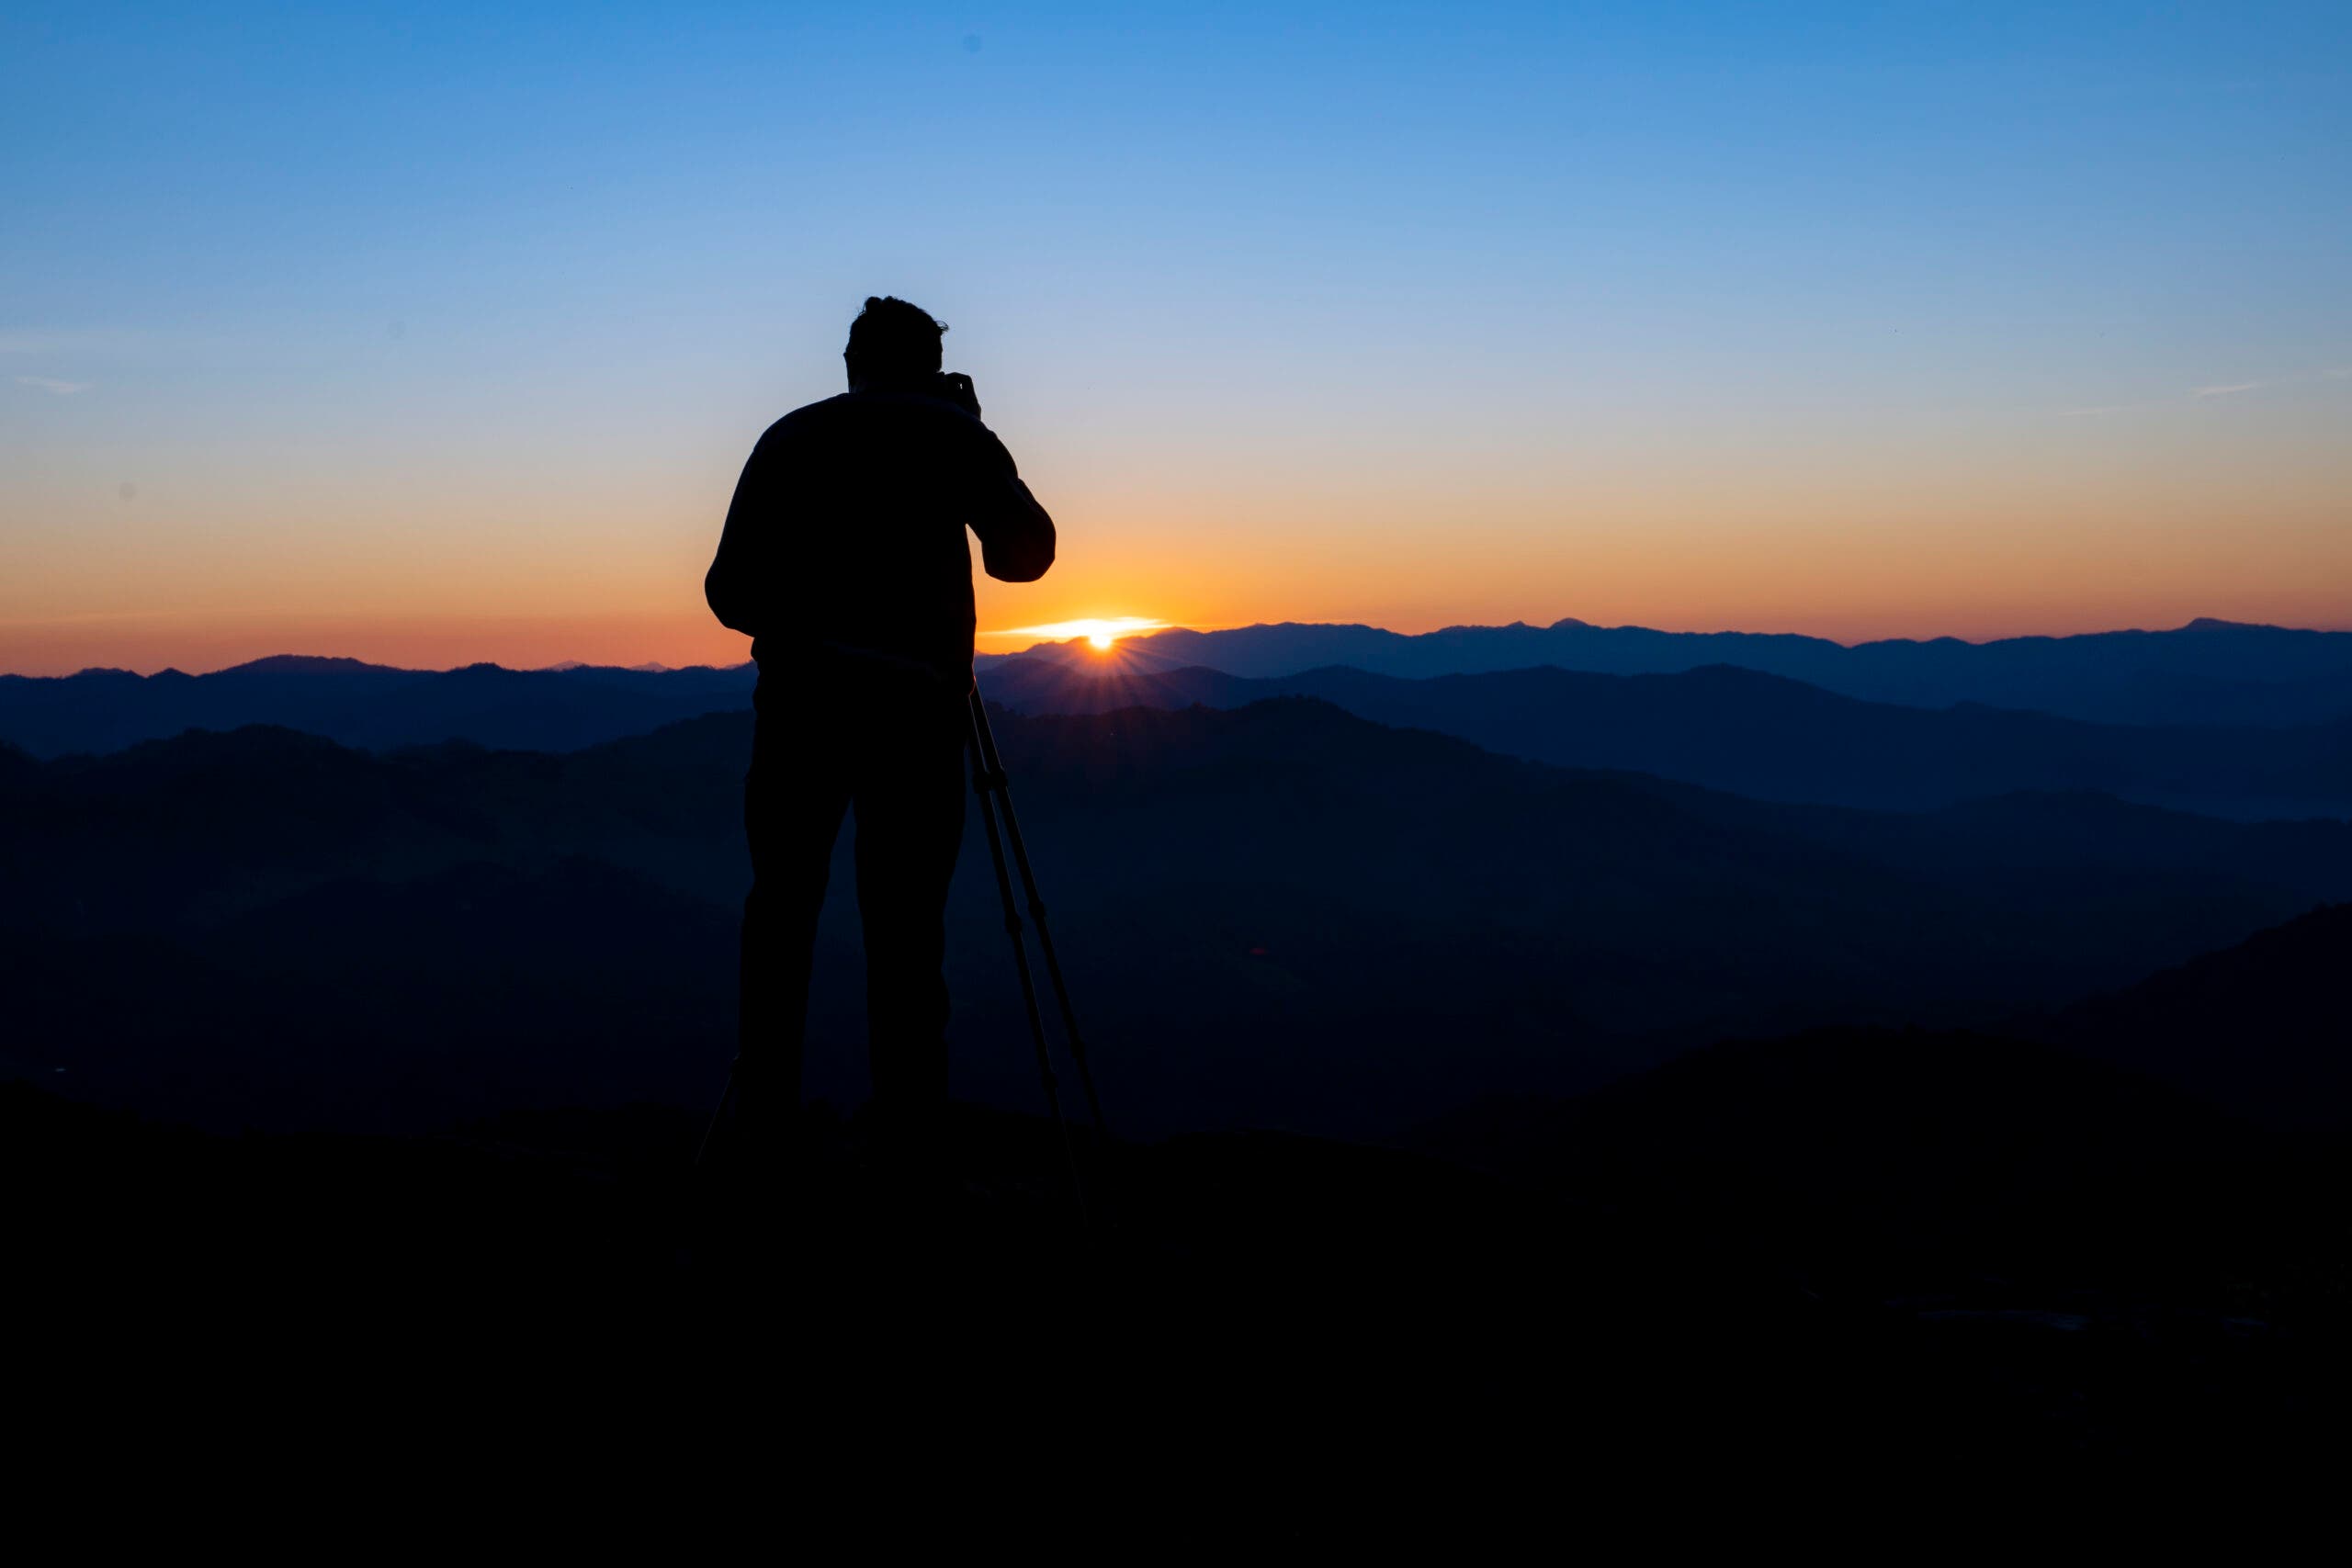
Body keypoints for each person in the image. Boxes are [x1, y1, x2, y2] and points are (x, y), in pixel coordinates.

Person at [705, 296, 1056, 1176]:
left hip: (797, 716)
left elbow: (727, 590)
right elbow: (1026, 554)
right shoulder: (950, 435)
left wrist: (813, 632)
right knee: (906, 934)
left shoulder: (790, 438)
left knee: (781, 913)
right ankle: (907, 1141)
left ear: (853, 361)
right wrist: (971, 433)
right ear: (930, 362)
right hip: (917, 717)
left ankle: (763, 1126)